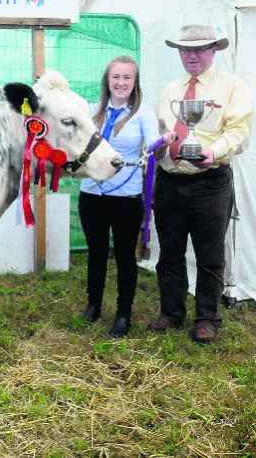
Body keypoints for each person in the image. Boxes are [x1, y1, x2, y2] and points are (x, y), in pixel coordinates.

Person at [148, 24, 254, 343]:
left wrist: (213, 151)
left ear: (213, 51)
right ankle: (171, 312)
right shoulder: (169, 89)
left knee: (210, 255)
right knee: (169, 252)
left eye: (198, 49)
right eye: (185, 50)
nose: (191, 56)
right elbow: (162, 131)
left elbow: (239, 132)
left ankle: (207, 317)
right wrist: (160, 146)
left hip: (210, 183)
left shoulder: (233, 88)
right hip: (169, 182)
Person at [78, 56, 175, 338]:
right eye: (116, 77)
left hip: (125, 198)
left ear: (135, 83)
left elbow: (153, 152)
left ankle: (123, 315)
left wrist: (162, 145)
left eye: (127, 78)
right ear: (107, 81)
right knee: (95, 253)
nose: (121, 83)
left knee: (124, 257)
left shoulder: (143, 113)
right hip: (92, 194)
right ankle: (93, 305)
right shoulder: (90, 111)